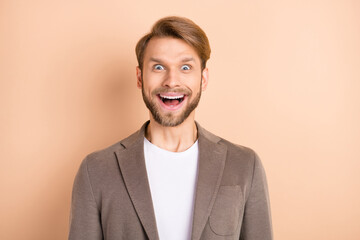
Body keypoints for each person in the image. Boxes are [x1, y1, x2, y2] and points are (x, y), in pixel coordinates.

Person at [68, 16, 273, 240]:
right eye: (158, 67)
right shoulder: (95, 171)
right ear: (139, 77)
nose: (171, 81)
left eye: (186, 67)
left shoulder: (244, 166)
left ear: (203, 79)